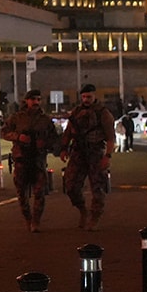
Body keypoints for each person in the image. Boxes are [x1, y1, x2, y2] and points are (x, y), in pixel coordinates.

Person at [60, 84, 117, 230]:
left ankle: (95, 217)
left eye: (89, 97)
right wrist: (64, 148)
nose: (86, 99)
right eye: (84, 97)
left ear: (94, 96)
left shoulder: (103, 113)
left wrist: (107, 156)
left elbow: (111, 138)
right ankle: (82, 210)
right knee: (70, 186)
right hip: (78, 153)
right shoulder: (76, 112)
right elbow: (68, 132)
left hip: (95, 153)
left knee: (98, 189)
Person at [0, 90, 57, 231]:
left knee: (39, 192)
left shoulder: (45, 120)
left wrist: (44, 143)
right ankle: (28, 218)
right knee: (22, 193)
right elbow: (4, 132)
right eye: (33, 99)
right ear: (27, 101)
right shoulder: (17, 118)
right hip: (21, 160)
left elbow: (54, 138)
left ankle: (36, 221)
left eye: (38, 99)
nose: (36, 102)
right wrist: (18, 137)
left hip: (38, 160)